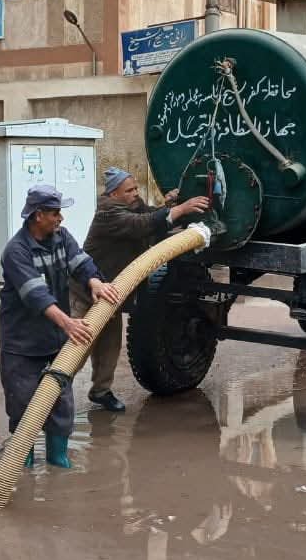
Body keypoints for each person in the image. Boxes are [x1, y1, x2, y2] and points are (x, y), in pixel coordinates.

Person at [69, 168, 211, 412]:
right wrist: (181, 209)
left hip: (111, 293)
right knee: (79, 347)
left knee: (109, 347)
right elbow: (142, 225)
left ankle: (101, 392)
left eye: (135, 188)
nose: (135, 193)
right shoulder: (108, 214)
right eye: (129, 190)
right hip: (87, 292)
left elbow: (152, 217)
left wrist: (170, 205)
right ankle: (56, 391)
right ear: (113, 194)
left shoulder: (133, 206)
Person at [0, 184, 120, 469]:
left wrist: (95, 282)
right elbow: (36, 295)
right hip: (22, 346)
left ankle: (58, 461)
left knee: (61, 406)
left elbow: (81, 263)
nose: (60, 218)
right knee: (23, 408)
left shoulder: (61, 237)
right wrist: (68, 323)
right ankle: (21, 466)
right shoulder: (16, 251)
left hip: (54, 343)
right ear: (38, 215)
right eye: (55, 213)